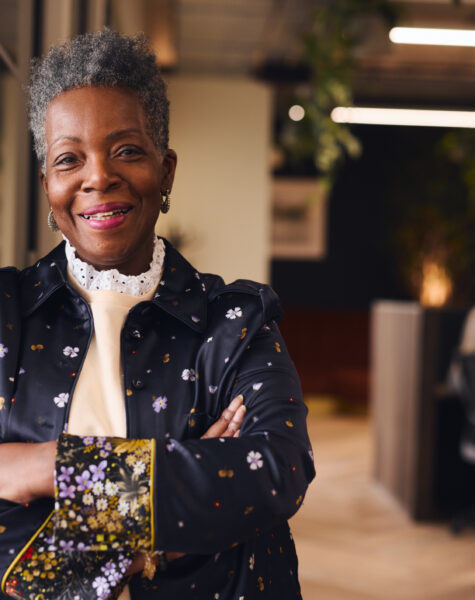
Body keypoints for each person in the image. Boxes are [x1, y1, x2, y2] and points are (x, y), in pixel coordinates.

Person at [0, 30, 315, 600]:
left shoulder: (235, 322)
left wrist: (51, 467)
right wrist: (173, 514)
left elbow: (275, 471)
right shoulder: (4, 314)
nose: (98, 177)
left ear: (165, 171)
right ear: (47, 184)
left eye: (126, 150)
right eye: (70, 159)